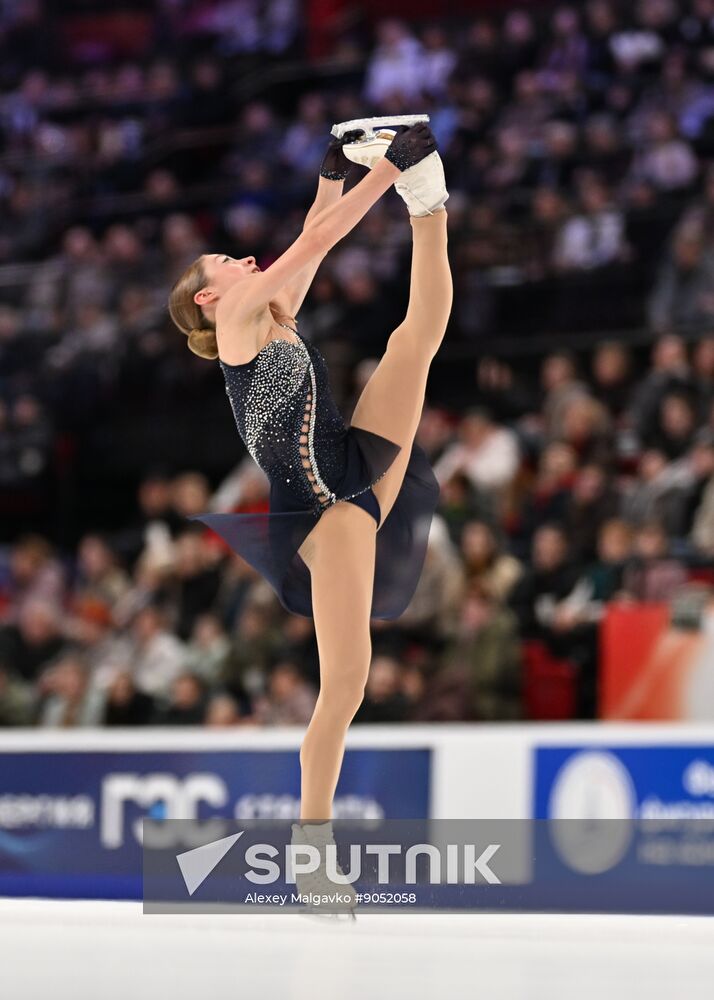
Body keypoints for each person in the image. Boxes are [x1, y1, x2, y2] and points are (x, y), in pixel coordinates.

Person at [168, 122, 452, 913]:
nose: (239, 256)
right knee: (347, 682)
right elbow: (318, 238)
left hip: (351, 463)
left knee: (416, 338)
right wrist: (378, 173)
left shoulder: (270, 307)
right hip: (323, 510)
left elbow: (313, 242)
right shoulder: (234, 323)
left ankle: (432, 203)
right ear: (207, 294)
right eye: (222, 259)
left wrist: (338, 170)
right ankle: (311, 852)